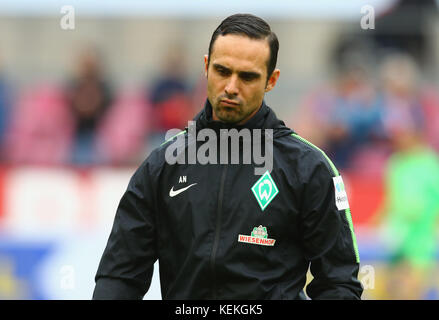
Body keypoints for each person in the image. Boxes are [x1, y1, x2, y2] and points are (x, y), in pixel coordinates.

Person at [93, 14, 363, 300]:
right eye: (222, 71)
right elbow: (119, 277)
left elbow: (339, 282)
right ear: (207, 66)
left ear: (271, 80)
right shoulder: (162, 166)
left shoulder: (309, 169)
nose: (231, 87)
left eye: (247, 76)